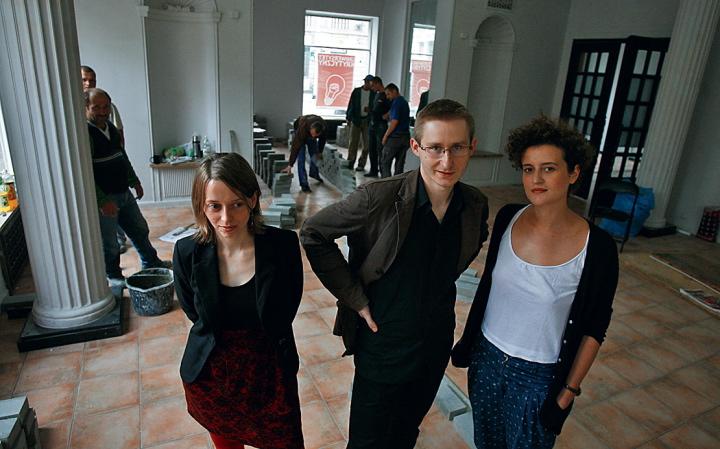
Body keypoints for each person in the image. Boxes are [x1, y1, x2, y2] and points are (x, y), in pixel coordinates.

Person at [301, 99, 489, 449]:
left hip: (434, 342)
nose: (447, 161)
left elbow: (469, 246)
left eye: (457, 147)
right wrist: (355, 297)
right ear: (416, 147)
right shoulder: (379, 197)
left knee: (406, 434)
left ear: (472, 147)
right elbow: (314, 232)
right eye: (435, 148)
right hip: (383, 341)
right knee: (367, 441)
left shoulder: (474, 204)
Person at [451, 116, 619, 449]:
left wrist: (567, 393)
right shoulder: (507, 217)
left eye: (549, 169)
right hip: (486, 361)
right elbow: (490, 289)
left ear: (574, 173)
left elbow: (595, 328)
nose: (536, 179)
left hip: (538, 378)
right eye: (528, 169)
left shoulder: (598, 247)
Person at [173, 153, 304, 449]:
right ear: (201, 205)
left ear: (253, 200)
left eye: (236, 204)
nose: (226, 218)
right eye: (214, 206)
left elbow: (286, 309)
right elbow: (194, 312)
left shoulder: (283, 246)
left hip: (270, 375)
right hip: (214, 378)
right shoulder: (186, 252)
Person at [84, 88, 169, 287]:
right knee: (110, 243)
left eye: (106, 107)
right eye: (96, 107)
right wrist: (102, 201)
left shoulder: (112, 129)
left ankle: (151, 262)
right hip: (105, 197)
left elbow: (122, 157)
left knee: (139, 229)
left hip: (124, 192)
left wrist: (135, 181)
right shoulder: (84, 135)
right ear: (86, 107)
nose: (103, 112)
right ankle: (113, 275)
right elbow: (85, 172)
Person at [82, 64, 129, 252]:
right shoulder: (80, 122)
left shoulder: (109, 114)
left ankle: (123, 242)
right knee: (106, 235)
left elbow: (120, 139)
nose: (88, 83)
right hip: (100, 188)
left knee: (136, 226)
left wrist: (128, 174)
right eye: (84, 79)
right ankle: (112, 266)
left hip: (118, 179)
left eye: (92, 80)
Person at [283, 114, 326, 193]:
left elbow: (322, 140)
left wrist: (320, 151)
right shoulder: (303, 128)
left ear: (320, 132)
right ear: (311, 129)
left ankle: (314, 174)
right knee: (301, 159)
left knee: (315, 156)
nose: (313, 137)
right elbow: (295, 147)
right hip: (300, 130)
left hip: (309, 130)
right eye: (312, 134)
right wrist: (290, 165)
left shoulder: (324, 128)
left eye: (315, 136)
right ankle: (304, 184)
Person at [346, 74, 376, 171]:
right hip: (356, 120)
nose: (369, 85)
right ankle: (350, 162)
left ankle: (361, 164)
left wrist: (370, 110)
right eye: (368, 82)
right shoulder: (357, 91)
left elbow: (375, 108)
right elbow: (351, 104)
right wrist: (348, 118)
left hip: (367, 121)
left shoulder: (374, 93)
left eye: (371, 83)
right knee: (353, 143)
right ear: (365, 82)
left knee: (367, 145)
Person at [380, 83, 410, 178]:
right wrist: (388, 114)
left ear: (394, 91)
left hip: (395, 138)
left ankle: (386, 184)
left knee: (385, 162)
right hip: (405, 137)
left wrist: (385, 136)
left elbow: (394, 122)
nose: (387, 97)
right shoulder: (404, 102)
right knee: (399, 164)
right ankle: (398, 184)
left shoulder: (396, 103)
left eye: (388, 94)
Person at [365, 76, 390, 178]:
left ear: (378, 84)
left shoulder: (386, 95)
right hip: (373, 124)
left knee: (380, 149)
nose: (371, 88)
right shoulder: (377, 95)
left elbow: (392, 107)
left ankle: (383, 172)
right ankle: (373, 170)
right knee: (372, 149)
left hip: (381, 126)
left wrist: (388, 114)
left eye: (372, 86)